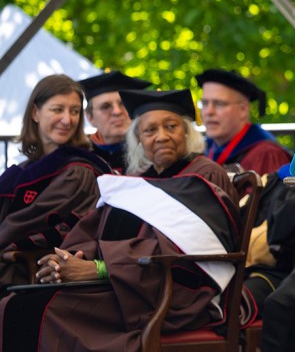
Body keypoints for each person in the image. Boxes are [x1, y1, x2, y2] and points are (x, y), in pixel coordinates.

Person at [0, 88, 241, 351]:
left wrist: (100, 268)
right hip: (124, 286)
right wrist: (67, 260)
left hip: (172, 295)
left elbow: (197, 246)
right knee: (14, 305)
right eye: (149, 131)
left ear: (186, 132)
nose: (161, 137)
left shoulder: (204, 175)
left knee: (39, 310)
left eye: (171, 126)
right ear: (138, 138)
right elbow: (94, 229)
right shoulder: (134, 182)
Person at [0, 75, 111, 290]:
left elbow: (26, 224)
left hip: (37, 272)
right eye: (57, 109)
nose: (67, 120)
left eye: (75, 111)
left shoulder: (80, 171)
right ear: (35, 113)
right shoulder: (23, 169)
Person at [194, 69, 291, 176]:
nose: (209, 112)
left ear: (243, 109)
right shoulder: (204, 151)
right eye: (204, 103)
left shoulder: (267, 155)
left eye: (219, 104)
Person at [77, 70, 151, 172]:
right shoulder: (80, 158)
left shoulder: (151, 151)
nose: (117, 112)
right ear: (90, 117)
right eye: (105, 106)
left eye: (123, 103)